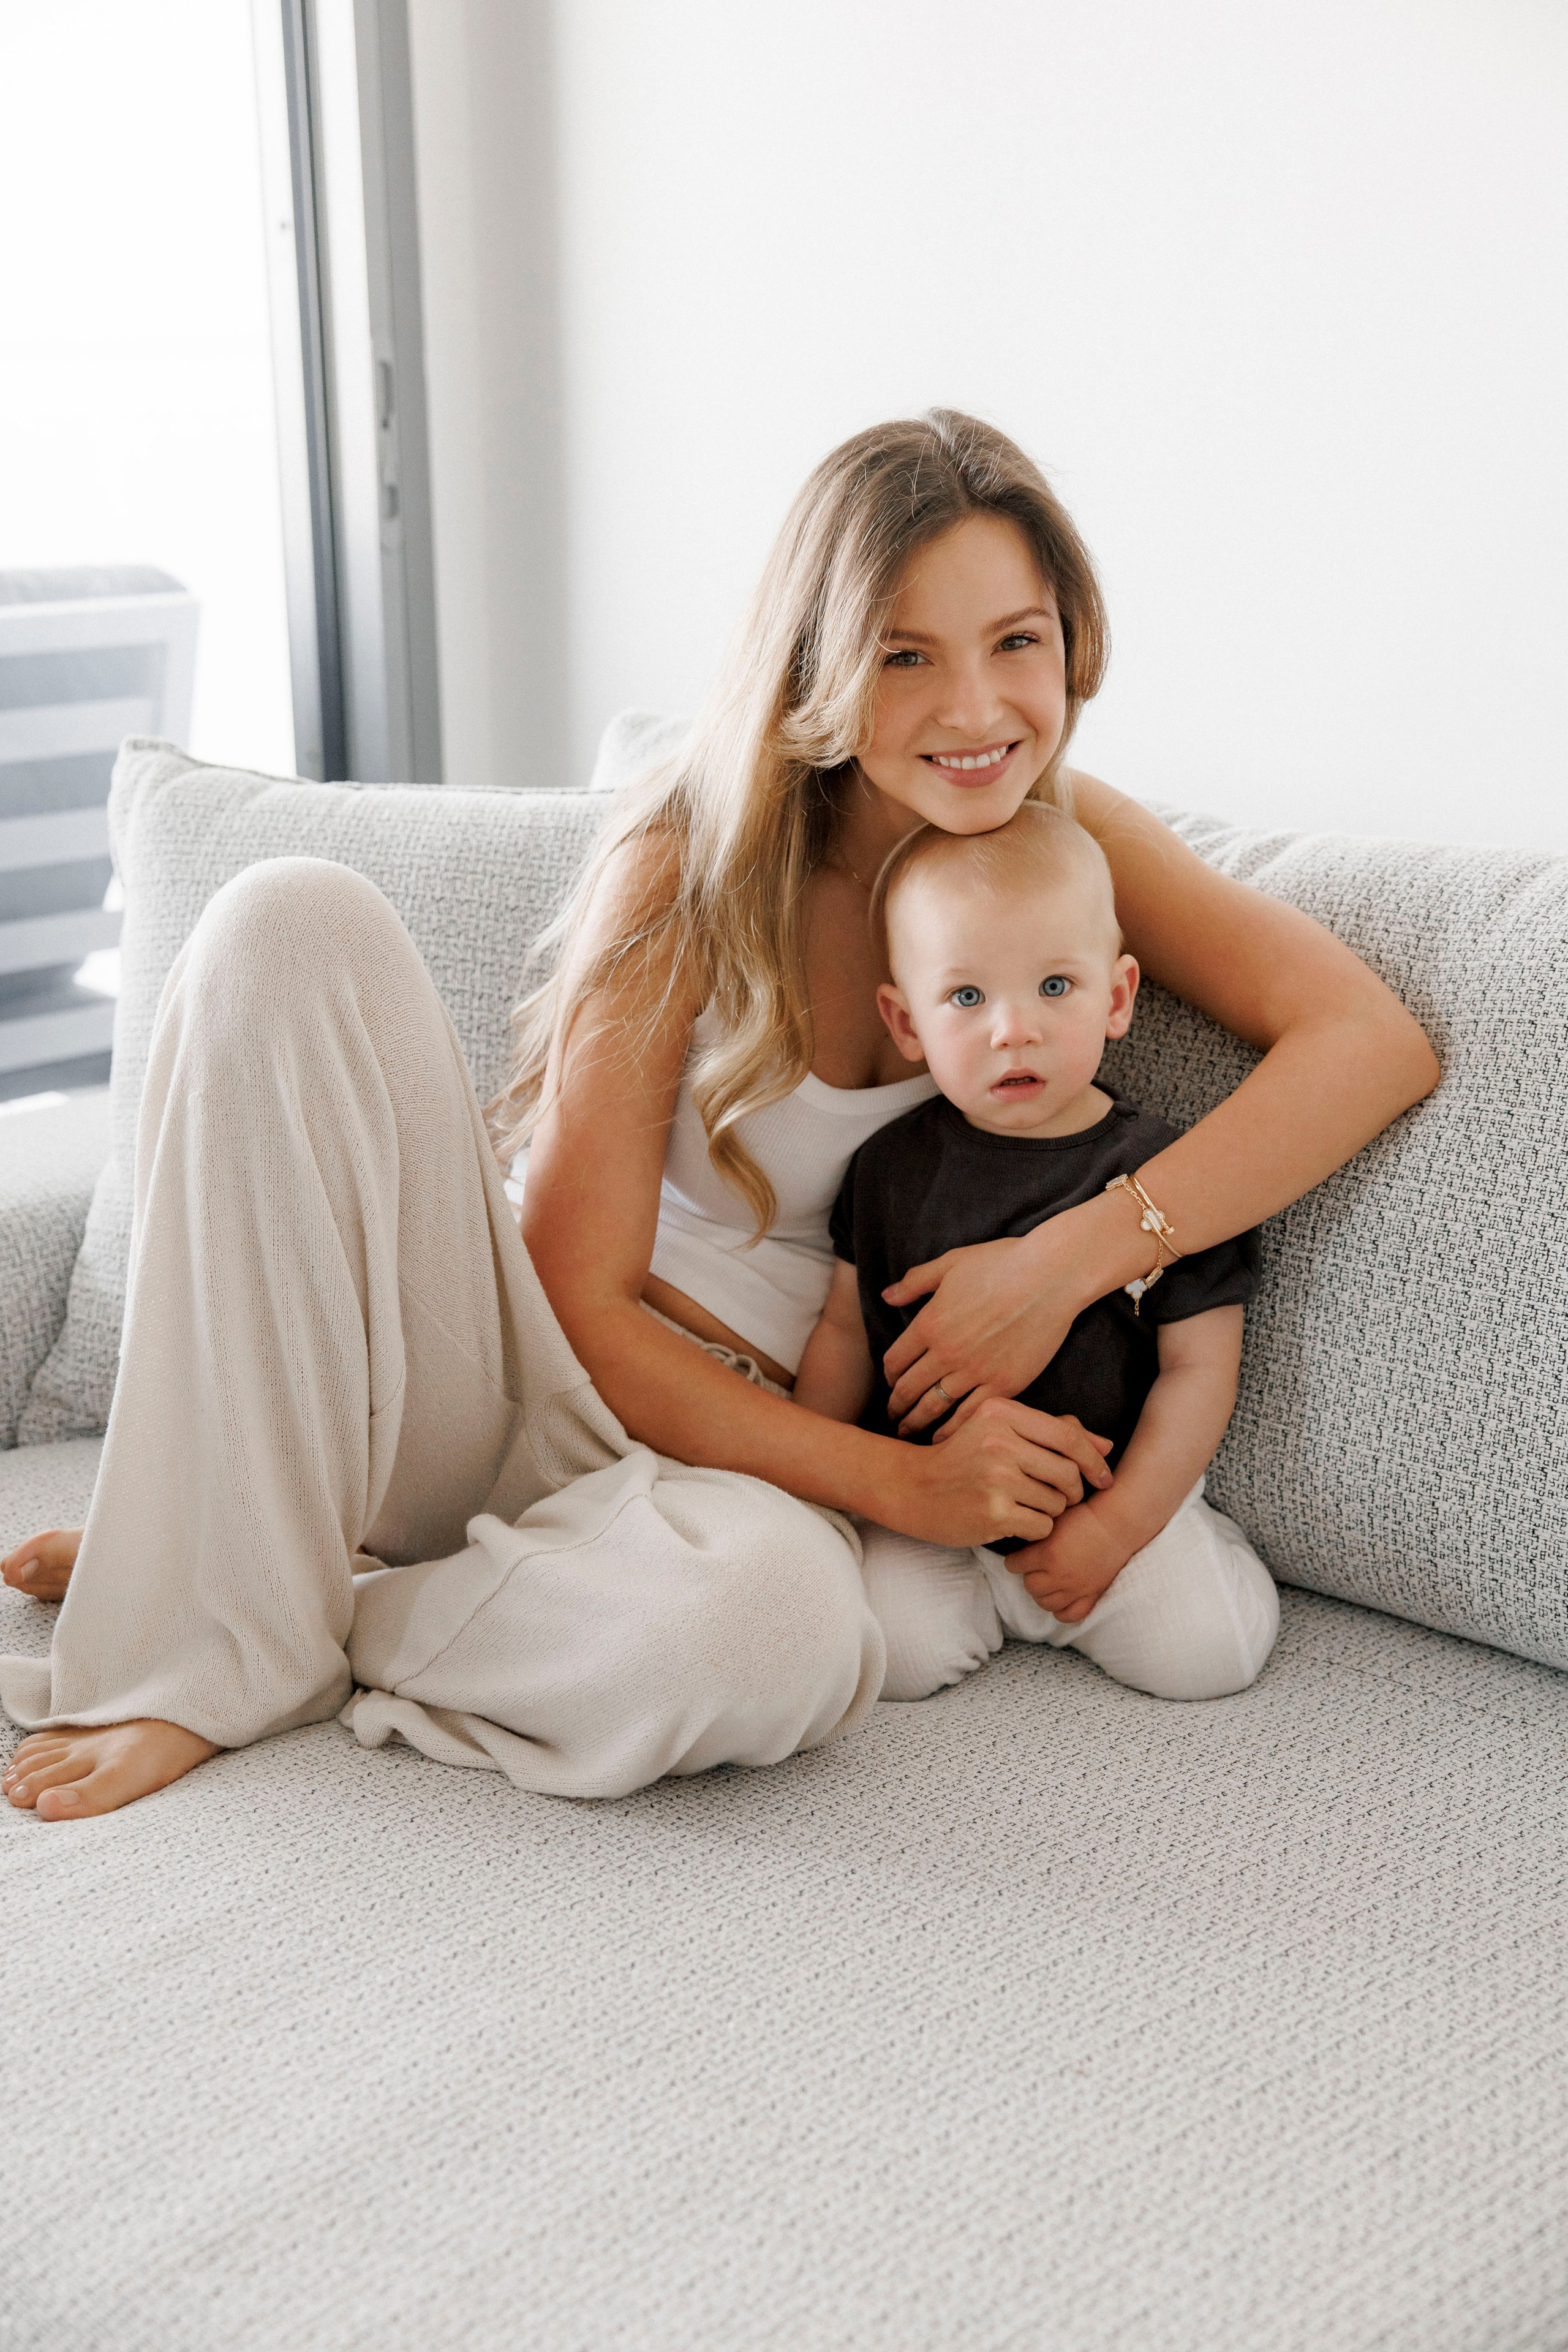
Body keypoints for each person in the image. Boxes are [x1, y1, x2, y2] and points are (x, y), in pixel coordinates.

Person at [1, 410, 1438, 1820]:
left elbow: (1364, 1045)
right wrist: (910, 1486)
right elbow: (575, 1299)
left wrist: (1062, 1261)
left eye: (1016, 642)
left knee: (781, 1644)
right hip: (519, 1387)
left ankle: (286, 1578)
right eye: (904, 656)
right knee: (287, 915)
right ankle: (210, 1636)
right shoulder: (692, 848)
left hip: (747, 1478)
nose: (975, 709)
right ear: (818, 664)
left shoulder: (1068, 841)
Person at [793, 797, 1277, 1703]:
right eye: (966, 997)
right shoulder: (888, 1168)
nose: (1013, 1029)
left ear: (1118, 997)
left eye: (1055, 987)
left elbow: (1199, 1372)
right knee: (885, 1657)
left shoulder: (1167, 1174)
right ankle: (977, 1601)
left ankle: (1198, 1549)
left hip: (1114, 1505)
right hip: (936, 1513)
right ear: (907, 1025)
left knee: (1208, 1660)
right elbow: (842, 1335)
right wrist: (821, 1492)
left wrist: (1122, 1525)